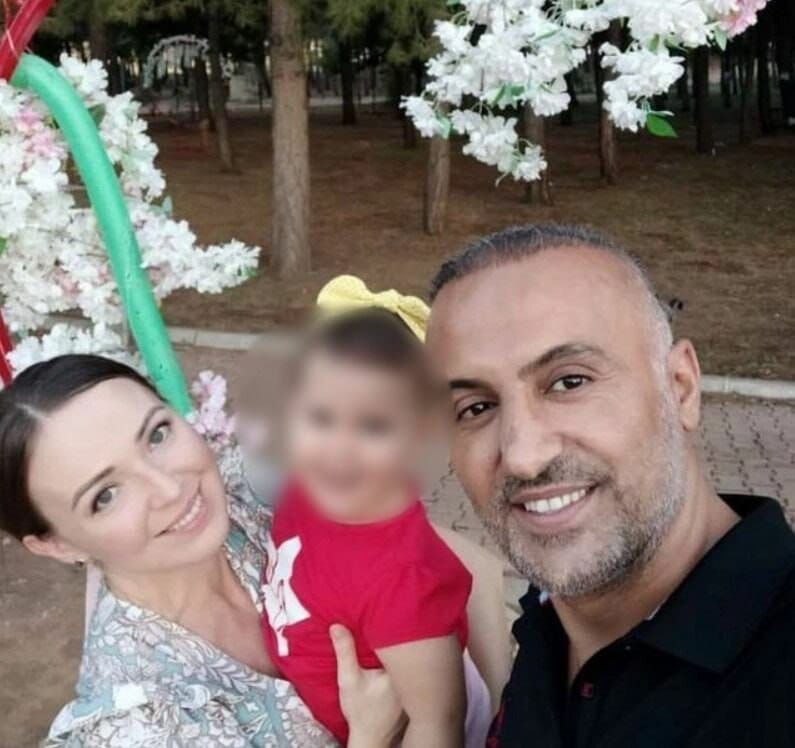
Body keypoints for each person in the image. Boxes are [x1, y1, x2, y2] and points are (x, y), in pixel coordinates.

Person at [425, 223, 795, 747]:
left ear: (681, 388)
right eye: (476, 407)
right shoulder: (547, 629)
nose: (524, 457)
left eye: (569, 381)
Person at [0, 355, 403, 747]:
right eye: (105, 495)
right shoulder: (142, 725)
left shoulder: (255, 494)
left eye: (157, 435)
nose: (170, 488)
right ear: (57, 544)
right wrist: (372, 736)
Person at [260, 299, 496, 747]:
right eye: (320, 417)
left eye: (373, 426)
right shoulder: (305, 488)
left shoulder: (403, 583)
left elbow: (437, 724)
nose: (339, 449)